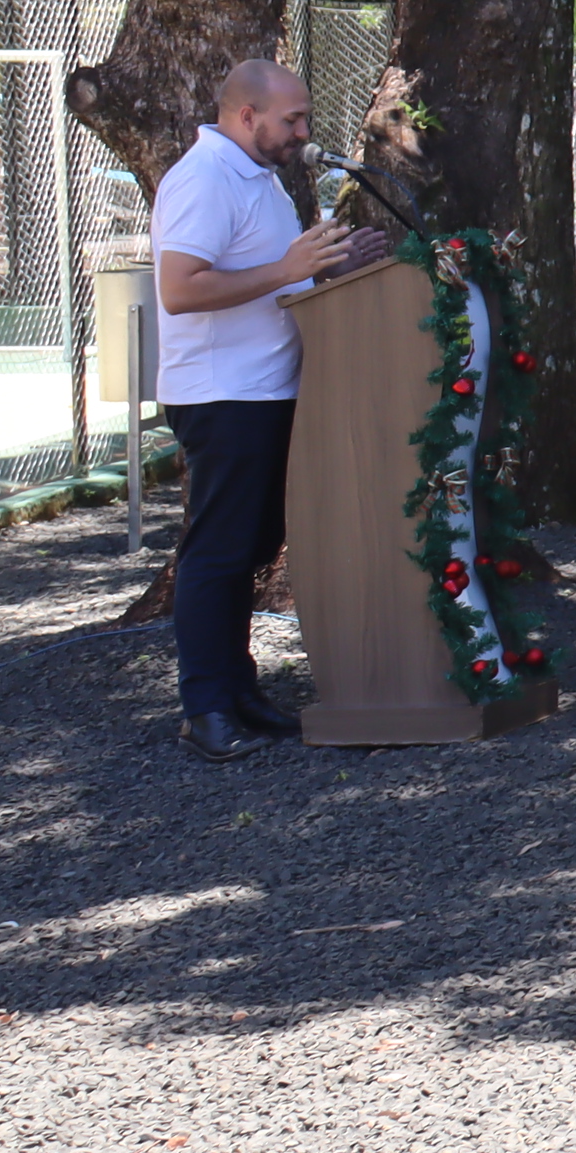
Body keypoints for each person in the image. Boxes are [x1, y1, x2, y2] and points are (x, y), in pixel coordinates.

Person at [150, 61, 383, 761]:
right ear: (246, 115)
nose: (304, 132)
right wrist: (289, 269)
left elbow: (271, 276)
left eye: (305, 119)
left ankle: (239, 690)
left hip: (270, 390)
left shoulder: (259, 177)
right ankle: (204, 707)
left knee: (248, 551)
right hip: (223, 396)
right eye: (292, 120)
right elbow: (180, 289)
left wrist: (327, 266)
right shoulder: (203, 178)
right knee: (218, 552)